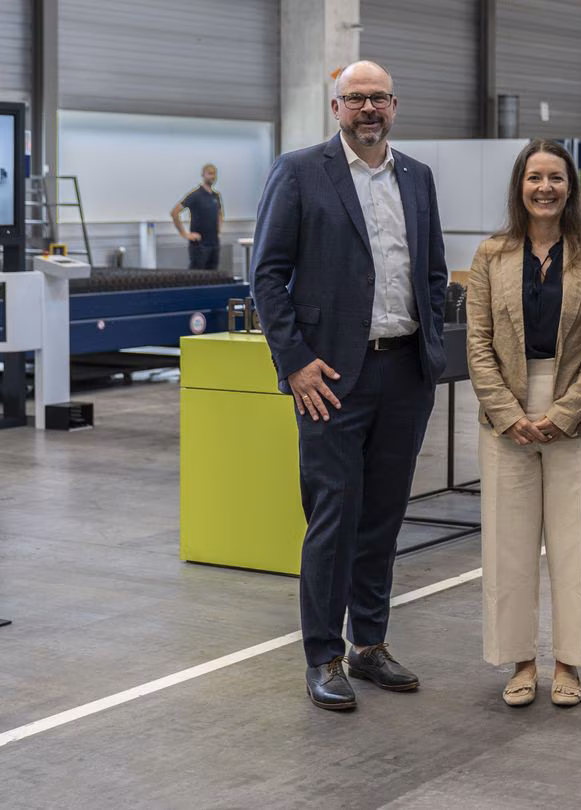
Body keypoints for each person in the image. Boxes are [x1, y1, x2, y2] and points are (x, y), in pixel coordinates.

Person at [251, 60, 449, 711]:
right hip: (331, 378)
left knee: (384, 517)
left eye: (378, 98)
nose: (368, 108)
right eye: (355, 97)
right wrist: (295, 362)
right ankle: (323, 655)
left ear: (395, 105)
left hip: (405, 373)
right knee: (333, 516)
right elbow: (267, 275)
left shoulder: (416, 177)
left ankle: (369, 644)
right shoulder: (300, 171)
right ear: (336, 107)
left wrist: (430, 350)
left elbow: (434, 272)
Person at [466, 139, 581, 708]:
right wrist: (508, 413)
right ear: (520, 186)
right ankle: (521, 661)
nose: (545, 188)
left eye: (556, 178)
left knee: (577, 546)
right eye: (535, 178)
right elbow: (478, 344)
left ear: (571, 187)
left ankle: (569, 663)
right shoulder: (491, 254)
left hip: (576, 411)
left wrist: (564, 411)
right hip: (505, 410)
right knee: (508, 545)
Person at [171, 163, 224, 269]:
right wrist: (185, 234)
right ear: (203, 175)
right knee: (197, 276)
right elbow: (174, 212)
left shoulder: (216, 196)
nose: (212, 176)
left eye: (214, 174)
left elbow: (220, 213)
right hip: (199, 246)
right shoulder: (195, 195)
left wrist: (219, 230)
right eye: (209, 173)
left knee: (214, 276)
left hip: (214, 244)